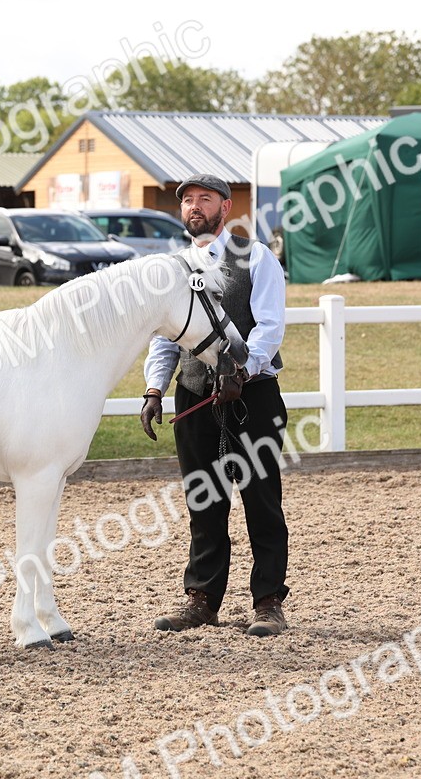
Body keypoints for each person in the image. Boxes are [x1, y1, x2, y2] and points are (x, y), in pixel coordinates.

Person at [140, 173, 290, 637]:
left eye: (204, 199)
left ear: (225, 208)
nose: (193, 207)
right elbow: (166, 338)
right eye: (186, 200)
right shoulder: (175, 267)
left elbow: (269, 326)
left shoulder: (256, 257)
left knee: (261, 498)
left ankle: (268, 602)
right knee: (203, 501)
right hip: (194, 393)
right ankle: (202, 600)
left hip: (252, 395)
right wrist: (154, 390)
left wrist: (241, 371)